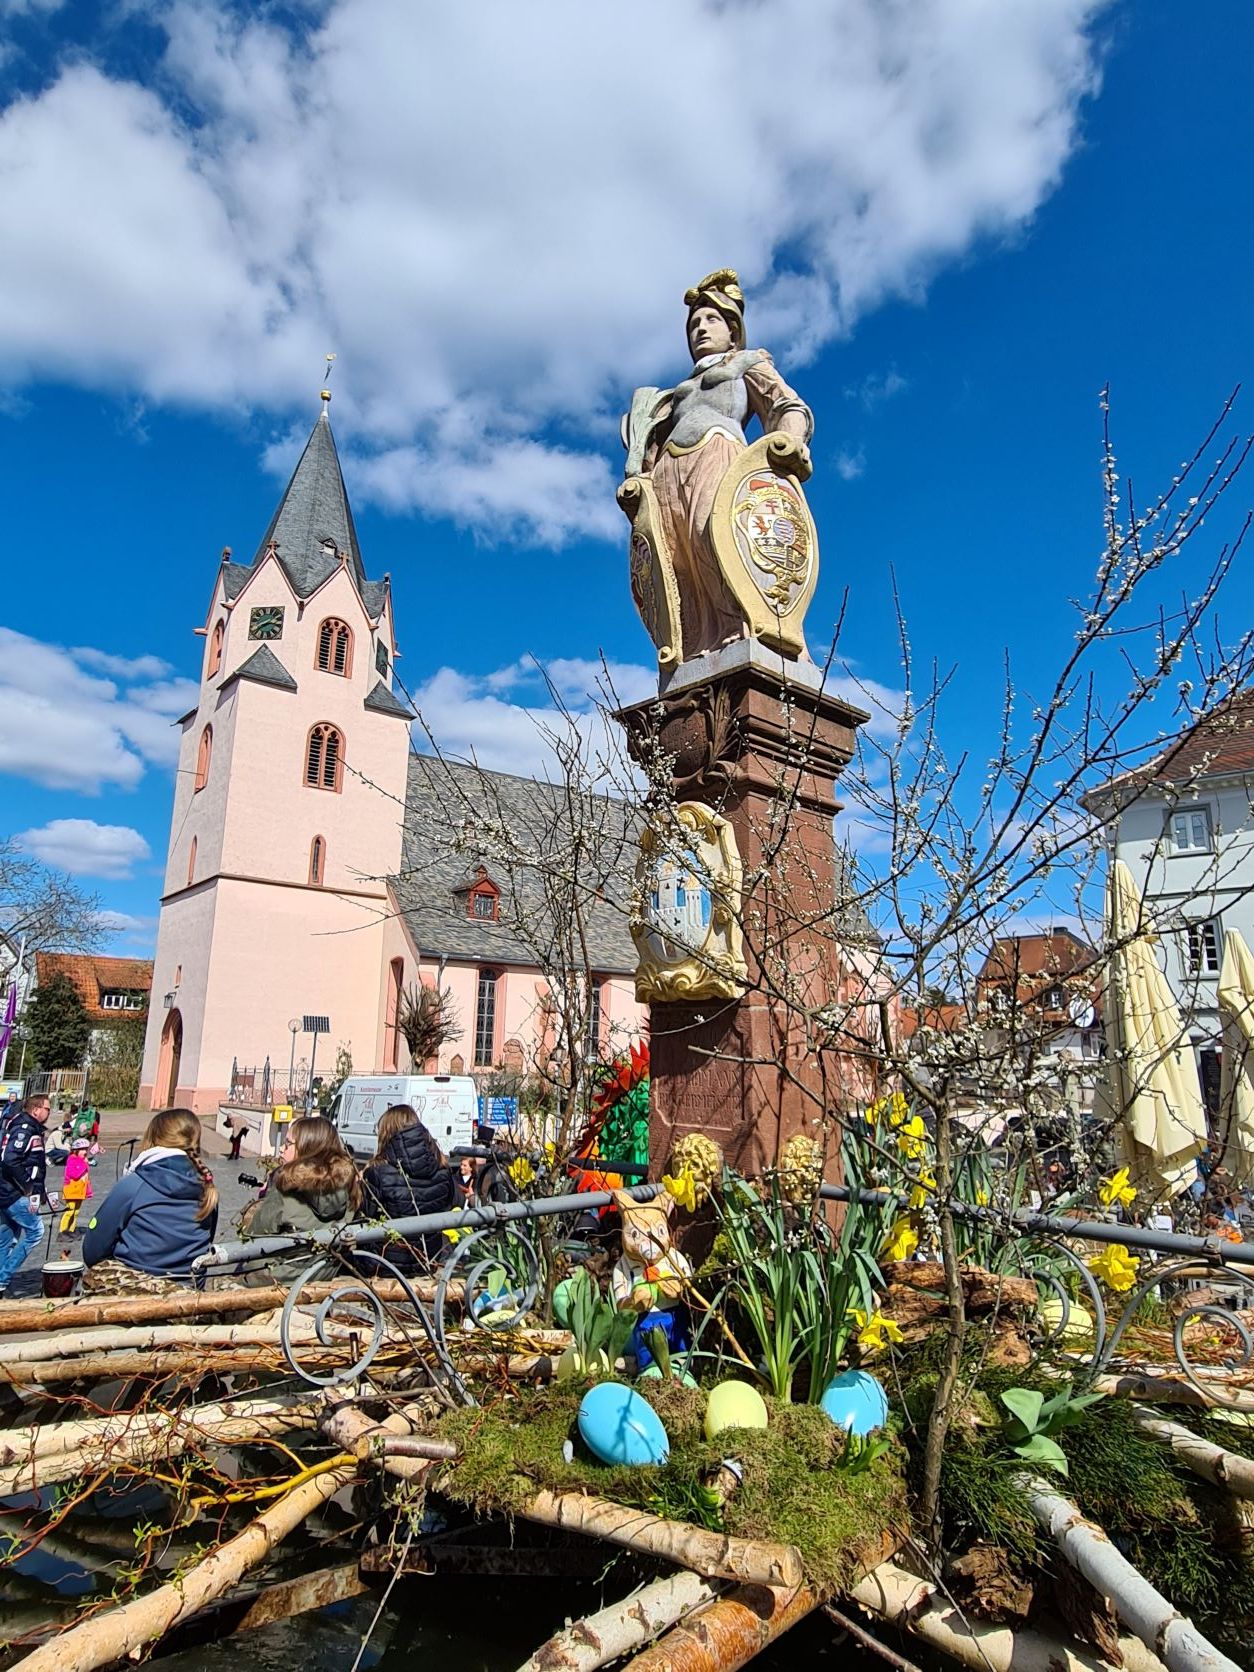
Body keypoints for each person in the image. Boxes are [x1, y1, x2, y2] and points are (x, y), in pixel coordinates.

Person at [622, 268, 814, 658]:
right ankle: (693, 645)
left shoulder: (748, 364)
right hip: (667, 475)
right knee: (679, 560)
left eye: (711, 320)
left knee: (714, 540)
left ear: (733, 328)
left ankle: (741, 628)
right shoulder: (675, 393)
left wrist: (790, 440)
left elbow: (787, 405)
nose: (700, 329)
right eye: (694, 323)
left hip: (717, 455)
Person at [81, 1108, 218, 1294]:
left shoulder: (134, 1185)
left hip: (136, 1292)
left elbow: (93, 1250)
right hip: (191, 1292)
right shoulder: (208, 1189)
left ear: (153, 1139)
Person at [240, 1115, 360, 1280]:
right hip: (324, 1273)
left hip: (280, 1279)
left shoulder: (284, 1192)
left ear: (307, 1149)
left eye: (288, 1143)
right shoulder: (349, 1188)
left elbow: (251, 1243)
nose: (282, 1148)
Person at [361, 1105, 455, 1271]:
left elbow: (365, 1219)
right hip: (430, 1259)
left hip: (385, 1264)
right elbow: (449, 1205)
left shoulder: (377, 1173)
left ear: (385, 1133)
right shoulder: (443, 1169)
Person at [0, 1092, 51, 1296]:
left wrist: (41, 1190)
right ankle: (4, 1276)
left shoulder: (28, 1128)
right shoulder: (25, 1128)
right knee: (35, 1231)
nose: (49, 1112)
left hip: (7, 1191)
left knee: (7, 1237)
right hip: (13, 1193)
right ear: (36, 1109)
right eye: (47, 1108)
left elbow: (34, 1163)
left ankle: (1, 1284)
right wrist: (28, 1186)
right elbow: (11, 1159)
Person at [59, 1138, 93, 1234]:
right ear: (76, 1150)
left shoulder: (82, 1160)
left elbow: (86, 1178)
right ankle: (63, 1231)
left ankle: (71, 1230)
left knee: (76, 1212)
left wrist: (88, 1191)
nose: (85, 1152)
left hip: (80, 1190)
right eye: (82, 1149)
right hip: (72, 1190)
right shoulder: (72, 1160)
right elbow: (74, 1174)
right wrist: (84, 1163)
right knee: (70, 1211)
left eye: (86, 1149)